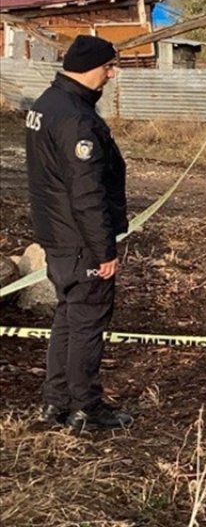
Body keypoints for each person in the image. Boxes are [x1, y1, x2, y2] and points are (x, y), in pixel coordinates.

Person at [24, 34, 132, 431]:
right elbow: (86, 192)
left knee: (67, 319)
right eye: (108, 67)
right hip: (80, 241)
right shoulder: (76, 119)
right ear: (91, 67)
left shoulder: (46, 105)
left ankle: (56, 403)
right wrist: (104, 251)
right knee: (87, 323)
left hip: (56, 236)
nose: (111, 75)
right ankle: (87, 407)